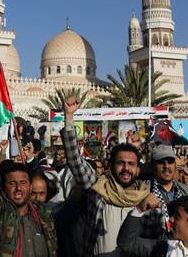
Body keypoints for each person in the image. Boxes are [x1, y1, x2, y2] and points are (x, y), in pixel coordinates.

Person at [61, 96, 149, 256]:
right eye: (120, 163)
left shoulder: (145, 199)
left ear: (138, 170)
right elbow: (75, 160)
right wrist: (69, 117)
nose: (126, 169)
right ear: (111, 165)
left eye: (131, 164)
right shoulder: (98, 188)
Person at [0, 117, 58, 256]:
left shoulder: (43, 215)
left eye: (23, 183)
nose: (18, 188)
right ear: (4, 187)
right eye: (12, 183)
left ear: (30, 187)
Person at [140, 143, 188, 238]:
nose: (166, 166)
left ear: (175, 165)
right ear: (153, 165)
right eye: (161, 162)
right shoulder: (141, 191)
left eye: (170, 161)